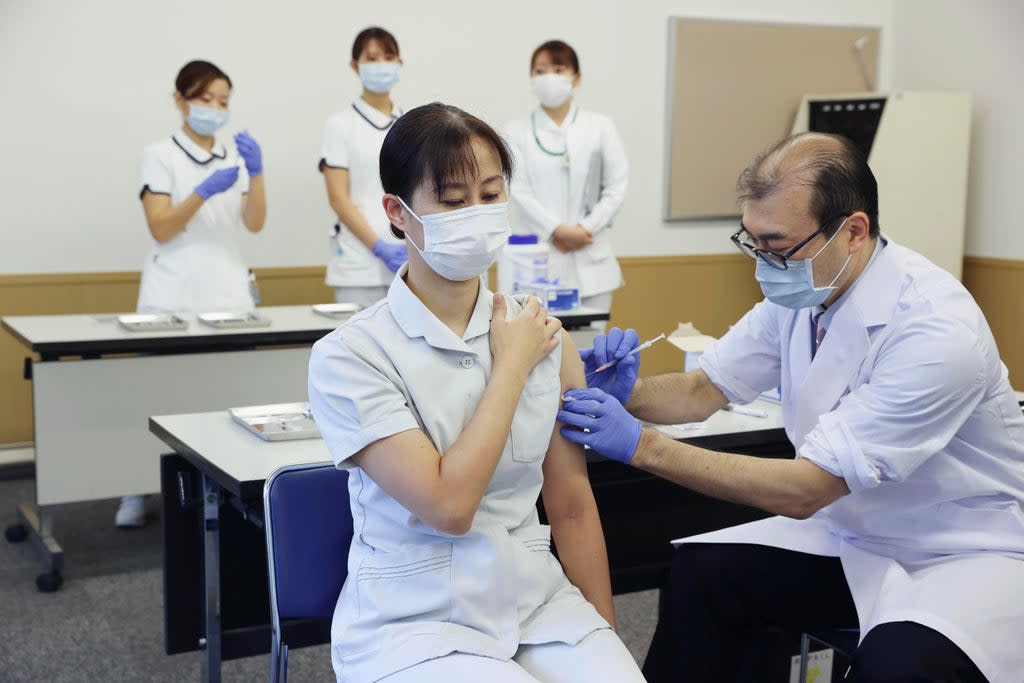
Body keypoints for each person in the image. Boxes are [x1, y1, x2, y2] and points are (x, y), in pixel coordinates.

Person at [559, 133, 1024, 682]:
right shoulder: (806, 292)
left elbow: (808, 490)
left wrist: (640, 445)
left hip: (961, 551)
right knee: (702, 577)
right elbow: (702, 390)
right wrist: (625, 392)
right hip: (858, 534)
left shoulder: (936, 330)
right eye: (751, 242)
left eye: (777, 246)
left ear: (853, 231)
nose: (763, 263)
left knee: (897, 668)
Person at [308, 103, 645, 683]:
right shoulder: (350, 355)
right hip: (414, 619)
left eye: (492, 195)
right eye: (455, 200)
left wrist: (605, 635)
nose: (479, 213)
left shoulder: (542, 333)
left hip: (536, 602)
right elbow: (449, 506)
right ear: (398, 212)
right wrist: (510, 366)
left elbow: (569, 503)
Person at [117, 59, 266, 528]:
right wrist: (202, 191)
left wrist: (257, 173)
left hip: (227, 291)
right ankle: (135, 490)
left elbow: (255, 222)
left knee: (226, 397)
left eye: (222, 101)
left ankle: (224, 491)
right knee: (158, 395)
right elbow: (161, 227)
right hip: (172, 291)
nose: (214, 108)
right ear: (180, 100)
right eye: (204, 98)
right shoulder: (159, 154)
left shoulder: (233, 156)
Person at [502, 40, 627, 314]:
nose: (550, 77)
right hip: (536, 259)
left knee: (593, 348)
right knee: (537, 346)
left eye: (559, 69)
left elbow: (617, 186)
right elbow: (518, 190)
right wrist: (557, 230)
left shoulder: (600, 127)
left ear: (576, 77)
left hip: (591, 258)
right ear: (532, 79)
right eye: (541, 70)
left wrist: (585, 229)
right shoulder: (516, 131)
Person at [320, 26, 407, 307]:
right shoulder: (340, 124)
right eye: (371, 58)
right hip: (358, 267)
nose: (381, 64)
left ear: (399, 64)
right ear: (354, 65)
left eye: (388, 56)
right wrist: (378, 247)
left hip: (409, 260)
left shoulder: (412, 124)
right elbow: (338, 197)